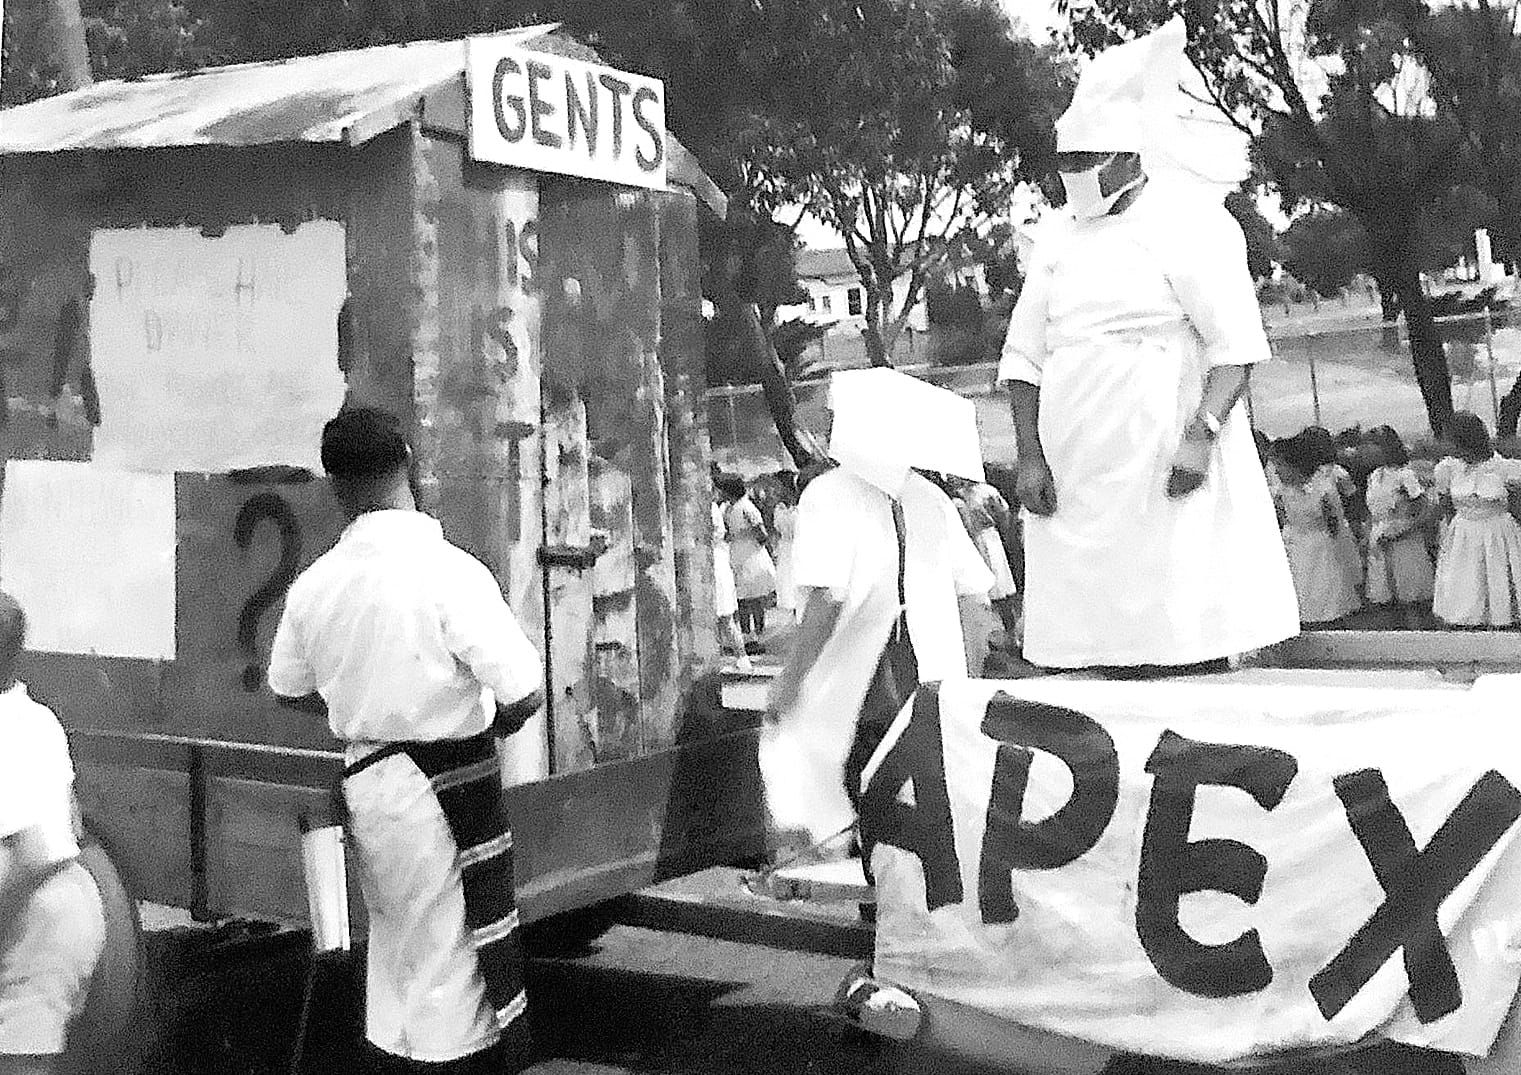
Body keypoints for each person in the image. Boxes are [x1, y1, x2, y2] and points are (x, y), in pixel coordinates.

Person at [999, 18, 1298, 672]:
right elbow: (1022, 359)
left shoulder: (1190, 223)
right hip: (1074, 465)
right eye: (1067, 163)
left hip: (1165, 452)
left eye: (1087, 162)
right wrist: (1028, 456)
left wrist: (1201, 434)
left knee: (1177, 616)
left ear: (1130, 158)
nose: (1075, 175)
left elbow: (1235, 348)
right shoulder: (1054, 237)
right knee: (1088, 634)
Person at [267, 407, 544, 1075]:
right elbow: (524, 690)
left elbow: (286, 686)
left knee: (396, 957)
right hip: (444, 788)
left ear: (334, 486)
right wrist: (487, 724)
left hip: (370, 780)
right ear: (409, 463)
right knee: (454, 963)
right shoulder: (447, 572)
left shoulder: (314, 585)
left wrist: (358, 708)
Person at [760, 370, 993, 846]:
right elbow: (974, 597)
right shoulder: (932, 499)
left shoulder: (826, 495)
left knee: (844, 793)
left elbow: (827, 600)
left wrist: (791, 679)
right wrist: (967, 680)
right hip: (933, 676)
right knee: (925, 806)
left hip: (866, 680)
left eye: (831, 421)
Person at [0, 594, 106, 1075]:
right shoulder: (40, 718)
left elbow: (27, 854)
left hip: (31, 920)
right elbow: (73, 820)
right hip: (69, 903)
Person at [1431, 411, 1521, 628]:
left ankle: (1502, 623)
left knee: (1498, 583)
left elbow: (1518, 508)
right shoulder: (1448, 469)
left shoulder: (1506, 469)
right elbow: (1446, 507)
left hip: (1498, 534)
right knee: (1465, 588)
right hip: (1463, 536)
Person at [1272, 433, 1363, 626]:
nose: (1277, 471)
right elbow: (1283, 518)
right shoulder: (1282, 492)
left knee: (1324, 592)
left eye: (1280, 465)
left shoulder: (1323, 490)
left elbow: (1334, 524)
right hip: (1295, 546)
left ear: (1295, 465)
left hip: (1321, 548)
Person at [1362, 426, 1435, 628]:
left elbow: (1424, 509)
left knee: (1408, 597)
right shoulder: (1374, 475)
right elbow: (1371, 511)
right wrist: (1367, 536)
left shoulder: (1406, 475)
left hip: (1403, 540)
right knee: (1383, 599)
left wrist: (1401, 531)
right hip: (1379, 539)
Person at [717, 474, 777, 649]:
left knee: (754, 597)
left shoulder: (747, 508)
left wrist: (746, 537)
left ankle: (756, 635)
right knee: (742, 597)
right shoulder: (728, 508)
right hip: (737, 553)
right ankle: (746, 634)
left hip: (750, 554)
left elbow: (761, 533)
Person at [712, 495, 753, 672]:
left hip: (717, 568)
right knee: (725, 620)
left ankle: (742, 658)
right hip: (719, 565)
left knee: (725, 618)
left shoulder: (712, 509)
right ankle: (736, 658)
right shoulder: (716, 508)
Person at [770, 472, 800, 623]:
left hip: (799, 547)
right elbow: (777, 530)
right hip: (785, 548)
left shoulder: (800, 508)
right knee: (788, 584)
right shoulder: (779, 508)